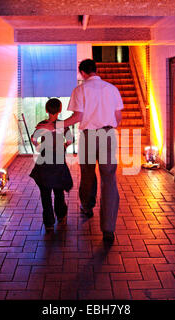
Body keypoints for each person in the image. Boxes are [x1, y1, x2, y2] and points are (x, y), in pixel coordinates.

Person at [36, 59, 123, 244]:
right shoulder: (112, 89)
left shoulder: (80, 90)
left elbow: (77, 117)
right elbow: (118, 117)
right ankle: (108, 229)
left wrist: (55, 126)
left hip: (89, 136)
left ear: (82, 72)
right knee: (109, 180)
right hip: (108, 134)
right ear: (95, 70)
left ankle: (87, 206)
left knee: (88, 174)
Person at [30, 98, 74, 232]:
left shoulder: (42, 124)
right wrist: (64, 145)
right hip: (58, 161)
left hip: (44, 161)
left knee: (45, 193)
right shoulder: (62, 125)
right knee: (59, 191)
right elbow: (71, 140)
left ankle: (48, 222)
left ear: (46, 110)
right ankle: (61, 215)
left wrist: (38, 146)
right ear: (60, 110)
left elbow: (33, 139)